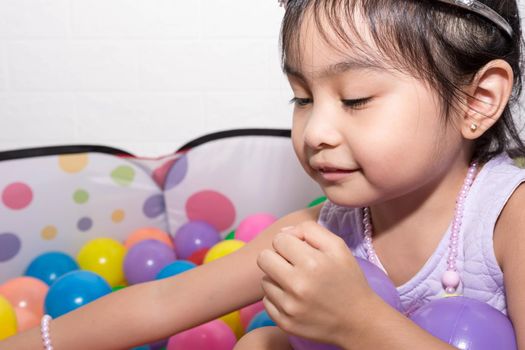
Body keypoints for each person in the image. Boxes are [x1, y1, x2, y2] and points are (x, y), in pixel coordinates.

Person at [2, 0, 525, 349]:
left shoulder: (511, 219)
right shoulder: (323, 232)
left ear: (477, 101)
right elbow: (164, 300)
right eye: (301, 97)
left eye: (355, 98)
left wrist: (358, 321)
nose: (315, 129)